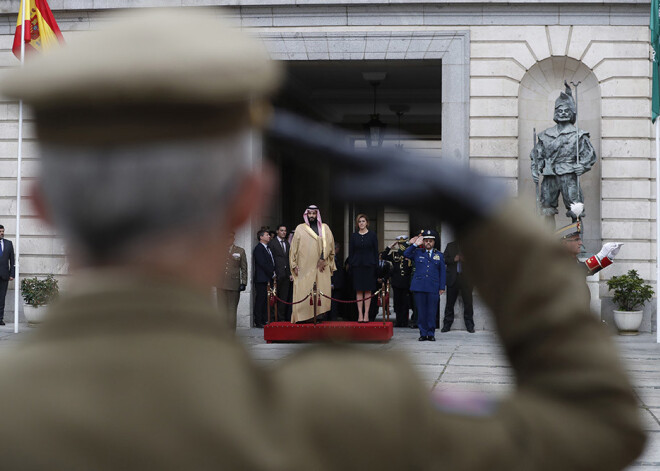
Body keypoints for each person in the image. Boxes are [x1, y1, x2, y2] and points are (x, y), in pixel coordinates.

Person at [0, 9, 645, 471]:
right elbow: (597, 426)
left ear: (43, 206)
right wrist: (488, 217)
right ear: (248, 199)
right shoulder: (352, 412)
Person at [530, 82, 597, 224]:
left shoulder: (578, 134)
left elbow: (589, 154)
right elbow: (538, 155)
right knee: (547, 208)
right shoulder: (546, 135)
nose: (563, 113)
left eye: (566, 110)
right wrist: (535, 169)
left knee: (575, 209)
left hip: (569, 174)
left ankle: (577, 243)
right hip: (549, 175)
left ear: (572, 113)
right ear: (555, 112)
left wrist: (583, 166)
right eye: (560, 110)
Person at [289, 205, 336, 323]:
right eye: (309, 213)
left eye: (314, 213)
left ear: (317, 214)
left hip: (321, 266)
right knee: (304, 290)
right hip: (304, 266)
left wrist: (322, 259)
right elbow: (293, 248)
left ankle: (318, 316)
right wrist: (293, 264)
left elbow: (330, 245)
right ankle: (303, 318)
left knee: (321, 290)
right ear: (306, 214)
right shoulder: (300, 228)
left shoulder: (325, 228)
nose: (311, 216)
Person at [403, 230, 446, 341]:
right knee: (421, 312)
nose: (428, 243)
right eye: (426, 241)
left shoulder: (439, 255)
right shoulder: (417, 252)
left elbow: (442, 272)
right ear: (423, 242)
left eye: (430, 241)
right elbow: (405, 254)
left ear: (434, 242)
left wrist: (442, 287)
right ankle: (423, 333)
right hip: (420, 286)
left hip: (433, 287)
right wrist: (415, 244)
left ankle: (431, 334)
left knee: (431, 312)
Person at [348, 213, 378, 323]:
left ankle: (366, 314)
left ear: (367, 223)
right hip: (357, 266)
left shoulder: (372, 235)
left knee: (368, 291)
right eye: (359, 221)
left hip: (369, 266)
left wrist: (376, 266)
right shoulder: (354, 236)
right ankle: (360, 314)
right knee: (359, 291)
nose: (361, 223)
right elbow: (351, 253)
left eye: (363, 221)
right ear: (357, 224)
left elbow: (375, 252)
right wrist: (350, 265)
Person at [441, 240, 475, 333]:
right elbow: (444, 259)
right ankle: (447, 325)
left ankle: (470, 325)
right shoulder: (450, 245)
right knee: (449, 304)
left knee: (468, 303)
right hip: (453, 279)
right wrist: (453, 259)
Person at [218, 232, 247, 331]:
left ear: (233, 239)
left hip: (234, 284)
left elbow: (244, 268)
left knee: (231, 310)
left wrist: (244, 282)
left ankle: (231, 332)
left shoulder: (240, 251)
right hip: (220, 284)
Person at [382, 235, 412, 327]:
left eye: (403, 244)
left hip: (406, 282)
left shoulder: (410, 254)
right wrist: (389, 247)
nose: (401, 246)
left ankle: (405, 321)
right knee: (397, 303)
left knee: (405, 304)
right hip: (396, 283)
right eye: (400, 244)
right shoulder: (395, 254)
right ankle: (399, 321)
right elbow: (383, 256)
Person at [268, 224, 292, 321]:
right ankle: (273, 317)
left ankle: (281, 317)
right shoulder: (272, 243)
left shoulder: (287, 243)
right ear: (277, 231)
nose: (284, 232)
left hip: (286, 274)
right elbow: (270, 258)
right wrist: (273, 272)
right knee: (274, 297)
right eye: (282, 230)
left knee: (284, 297)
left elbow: (289, 259)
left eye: (285, 231)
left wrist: (290, 273)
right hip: (276, 274)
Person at [253, 228, 275, 328]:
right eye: (267, 235)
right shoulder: (258, 248)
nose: (269, 236)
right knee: (260, 300)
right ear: (261, 237)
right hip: (261, 279)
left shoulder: (268, 248)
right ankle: (258, 321)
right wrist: (272, 273)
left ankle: (265, 318)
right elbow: (262, 263)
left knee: (266, 300)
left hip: (268, 278)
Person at [0, 225, 15, 326]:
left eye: (3, 231)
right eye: (0, 231)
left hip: (4, 275)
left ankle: (0, 319)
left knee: (2, 298)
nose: (2, 233)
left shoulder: (9, 244)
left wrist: (12, 274)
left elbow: (12, 260)